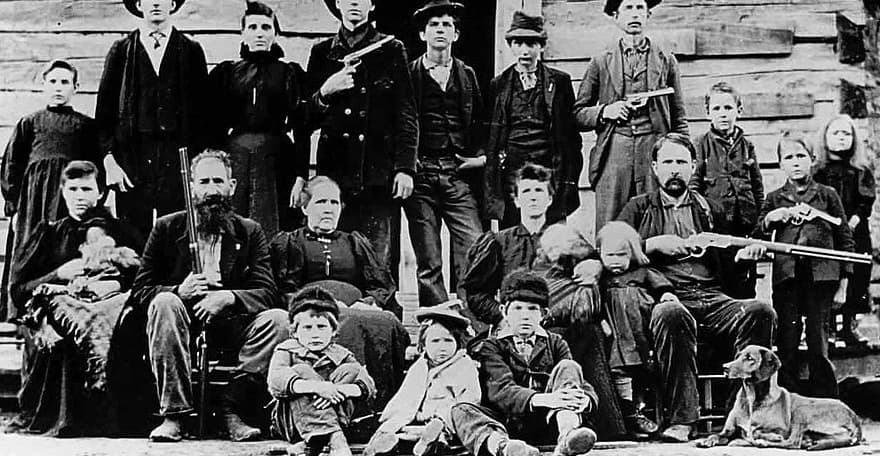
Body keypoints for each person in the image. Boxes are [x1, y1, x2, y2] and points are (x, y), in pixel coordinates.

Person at [616, 133, 776, 442]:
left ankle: (740, 416)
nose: (674, 169)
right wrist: (651, 245)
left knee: (760, 311)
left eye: (681, 162)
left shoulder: (710, 209)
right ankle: (683, 419)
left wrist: (743, 258)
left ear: (693, 166)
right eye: (667, 162)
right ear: (655, 167)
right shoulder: (637, 209)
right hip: (666, 296)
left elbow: (729, 270)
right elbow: (614, 256)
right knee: (670, 314)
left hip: (713, 297)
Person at [130, 149, 288, 442]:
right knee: (164, 302)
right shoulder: (166, 227)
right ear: (191, 187)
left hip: (234, 323)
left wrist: (229, 297)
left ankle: (232, 409)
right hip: (181, 322)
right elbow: (140, 290)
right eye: (204, 182)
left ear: (232, 186)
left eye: (218, 181)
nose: (212, 190)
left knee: (279, 321)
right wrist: (179, 291)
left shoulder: (249, 231)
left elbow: (268, 292)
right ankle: (174, 415)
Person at [8, 161, 142, 436]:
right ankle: (66, 418)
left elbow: (142, 276)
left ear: (100, 192)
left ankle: (111, 417)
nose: (80, 196)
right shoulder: (48, 233)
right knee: (62, 325)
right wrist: (59, 274)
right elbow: (19, 290)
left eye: (87, 189)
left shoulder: (121, 231)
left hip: (110, 314)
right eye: (73, 189)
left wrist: (112, 281)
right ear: (63, 191)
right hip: (62, 316)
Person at [269, 175, 409, 407]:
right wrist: (325, 306)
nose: (328, 209)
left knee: (386, 321)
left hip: (358, 308)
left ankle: (377, 404)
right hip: (311, 311)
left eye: (334, 202)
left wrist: (368, 302)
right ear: (305, 208)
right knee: (345, 320)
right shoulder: (290, 242)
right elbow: (285, 288)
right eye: (320, 202)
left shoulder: (354, 242)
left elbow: (380, 284)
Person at [306, 0, 419, 273]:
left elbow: (406, 113)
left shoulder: (390, 48)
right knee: (336, 258)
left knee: (378, 262)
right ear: (338, 4)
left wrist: (405, 168)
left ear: (372, 4)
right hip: (335, 176)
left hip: (377, 175)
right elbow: (304, 117)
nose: (354, 2)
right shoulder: (322, 53)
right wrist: (325, 91)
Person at [450, 270, 598, 456]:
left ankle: (567, 436)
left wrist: (585, 400)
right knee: (461, 410)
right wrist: (545, 399)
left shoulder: (556, 343)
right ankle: (504, 448)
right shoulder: (491, 346)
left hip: (549, 421)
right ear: (504, 311)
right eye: (518, 309)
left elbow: (576, 380)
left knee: (569, 367)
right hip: (507, 422)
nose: (525, 316)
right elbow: (501, 391)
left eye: (532, 309)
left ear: (543, 314)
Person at [95, 0, 208, 239]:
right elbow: (104, 114)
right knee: (133, 238)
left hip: (178, 162)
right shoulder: (122, 50)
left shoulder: (190, 50)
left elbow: (202, 115)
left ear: (172, 3)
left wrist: (196, 169)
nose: (155, 2)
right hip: (132, 163)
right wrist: (110, 161)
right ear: (139, 4)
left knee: (177, 237)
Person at [755, 131, 855, 398]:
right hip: (787, 280)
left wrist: (843, 285)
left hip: (821, 279)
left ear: (812, 159)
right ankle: (789, 400)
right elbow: (758, 235)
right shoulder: (774, 198)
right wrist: (771, 219)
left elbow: (845, 240)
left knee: (817, 341)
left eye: (801, 156)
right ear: (780, 164)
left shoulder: (827, 196)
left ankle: (826, 399)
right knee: (787, 340)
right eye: (789, 157)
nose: (796, 162)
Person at [573, 0, 688, 232]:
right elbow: (578, 114)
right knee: (611, 225)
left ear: (648, 15)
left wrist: (681, 157)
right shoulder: (601, 61)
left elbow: (679, 117)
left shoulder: (666, 59)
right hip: (614, 153)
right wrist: (606, 111)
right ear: (616, 16)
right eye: (628, 8)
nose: (634, 14)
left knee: (655, 222)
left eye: (639, 8)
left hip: (653, 150)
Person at [1, 60, 101, 320]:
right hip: (33, 202)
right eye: (53, 82)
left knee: (63, 248)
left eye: (65, 82)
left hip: (67, 199)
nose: (58, 88)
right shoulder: (29, 123)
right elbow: (12, 164)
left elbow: (95, 168)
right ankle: (20, 313)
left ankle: (63, 310)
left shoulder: (86, 126)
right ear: (43, 85)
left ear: (75, 87)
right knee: (29, 249)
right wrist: (13, 207)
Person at [404, 0, 484, 307]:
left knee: (474, 246)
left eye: (446, 24)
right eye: (433, 25)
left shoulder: (467, 75)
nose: (440, 30)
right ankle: (436, 321)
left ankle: (473, 320)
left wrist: (480, 158)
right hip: (421, 172)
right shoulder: (409, 74)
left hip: (456, 172)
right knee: (429, 257)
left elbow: (479, 122)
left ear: (456, 34)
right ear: (422, 34)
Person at [208, 1, 311, 237]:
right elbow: (213, 127)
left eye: (266, 27)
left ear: (275, 34)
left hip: (277, 159)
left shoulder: (289, 73)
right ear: (243, 33)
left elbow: (301, 127)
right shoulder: (227, 73)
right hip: (235, 158)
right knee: (233, 226)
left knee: (274, 226)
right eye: (252, 27)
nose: (259, 34)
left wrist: (300, 176)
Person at [485, 10, 582, 229]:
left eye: (531, 43)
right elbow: (492, 135)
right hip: (512, 175)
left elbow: (571, 138)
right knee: (513, 234)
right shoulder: (499, 85)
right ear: (510, 46)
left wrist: (569, 180)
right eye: (518, 43)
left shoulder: (559, 81)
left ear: (542, 46)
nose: (525, 50)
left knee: (552, 237)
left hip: (549, 172)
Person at [268, 285, 376, 456]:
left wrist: (339, 391)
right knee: (302, 370)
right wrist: (318, 388)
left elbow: (369, 386)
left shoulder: (341, 353)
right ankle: (335, 439)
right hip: (294, 422)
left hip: (338, 417)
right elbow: (276, 381)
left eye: (321, 327)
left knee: (351, 369)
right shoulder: (286, 350)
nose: (315, 334)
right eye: (307, 328)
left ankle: (313, 443)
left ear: (333, 331)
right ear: (294, 332)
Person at [364, 301, 479, 456]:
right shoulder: (420, 366)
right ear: (424, 345)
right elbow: (406, 396)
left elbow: (470, 398)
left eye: (448, 341)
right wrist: (392, 422)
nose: (442, 347)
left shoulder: (464, 365)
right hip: (416, 418)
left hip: (444, 421)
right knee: (398, 429)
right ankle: (391, 442)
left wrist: (443, 418)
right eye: (435, 341)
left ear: (457, 343)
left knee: (439, 433)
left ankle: (432, 443)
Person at [595, 221, 672, 438]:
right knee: (619, 371)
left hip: (639, 332)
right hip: (614, 333)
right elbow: (593, 301)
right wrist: (600, 319)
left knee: (642, 370)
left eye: (621, 255)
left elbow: (661, 287)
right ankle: (627, 414)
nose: (615, 261)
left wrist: (666, 295)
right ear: (600, 253)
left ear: (633, 252)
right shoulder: (601, 278)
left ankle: (638, 410)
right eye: (610, 255)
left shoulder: (642, 273)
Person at [689, 81, 763, 299]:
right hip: (716, 228)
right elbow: (694, 187)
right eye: (717, 108)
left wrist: (759, 227)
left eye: (728, 108)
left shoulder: (747, 147)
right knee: (719, 278)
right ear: (708, 113)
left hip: (744, 227)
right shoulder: (700, 145)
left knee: (745, 280)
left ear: (739, 110)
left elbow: (757, 188)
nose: (723, 113)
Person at [812, 115, 876, 346]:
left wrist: (853, 222)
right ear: (825, 137)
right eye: (836, 133)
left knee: (858, 276)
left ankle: (849, 326)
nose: (841, 138)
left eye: (846, 133)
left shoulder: (860, 170)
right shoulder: (817, 171)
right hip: (826, 232)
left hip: (856, 232)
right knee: (829, 276)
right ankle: (827, 327)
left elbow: (865, 201)